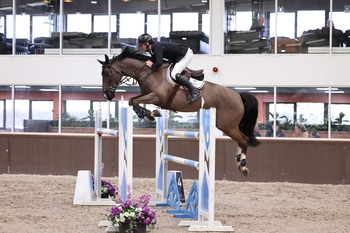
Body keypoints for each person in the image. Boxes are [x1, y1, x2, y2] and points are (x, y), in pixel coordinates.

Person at [137, 33, 202, 104]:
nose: (140, 47)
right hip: (178, 56)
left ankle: (194, 91)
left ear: (147, 43)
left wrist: (152, 66)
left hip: (185, 54)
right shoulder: (153, 49)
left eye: (141, 45)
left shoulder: (156, 47)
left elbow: (159, 62)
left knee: (174, 74)